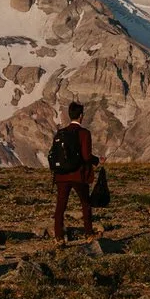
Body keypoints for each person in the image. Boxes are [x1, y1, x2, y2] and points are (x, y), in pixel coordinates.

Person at [50, 101, 99, 245]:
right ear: (81, 116)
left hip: (61, 176)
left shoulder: (61, 133)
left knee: (61, 206)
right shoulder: (84, 133)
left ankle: (59, 237)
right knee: (85, 203)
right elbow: (86, 156)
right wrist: (96, 160)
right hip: (78, 175)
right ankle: (88, 234)